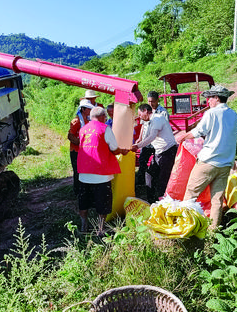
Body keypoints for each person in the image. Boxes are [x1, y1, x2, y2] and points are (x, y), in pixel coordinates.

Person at [176, 84, 237, 230]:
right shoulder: (233, 114)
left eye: (209, 98)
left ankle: (185, 228)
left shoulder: (212, 113)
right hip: (225, 164)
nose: (207, 101)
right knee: (217, 199)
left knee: (191, 194)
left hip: (208, 162)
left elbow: (198, 131)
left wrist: (183, 136)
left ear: (216, 98)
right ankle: (213, 232)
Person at [77, 106, 128, 236]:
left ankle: (83, 226)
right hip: (101, 174)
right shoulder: (105, 129)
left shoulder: (83, 129)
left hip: (84, 173)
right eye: (105, 117)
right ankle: (100, 229)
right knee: (103, 202)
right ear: (102, 117)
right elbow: (114, 148)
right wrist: (122, 151)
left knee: (84, 202)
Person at [131, 103, 177, 203]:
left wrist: (137, 146)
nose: (140, 117)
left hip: (167, 151)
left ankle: (164, 202)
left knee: (163, 179)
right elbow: (147, 136)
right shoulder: (150, 121)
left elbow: (151, 137)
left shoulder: (157, 119)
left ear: (146, 111)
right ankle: (151, 200)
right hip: (159, 152)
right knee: (149, 174)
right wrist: (139, 141)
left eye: (140, 114)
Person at [136, 91, 169, 185]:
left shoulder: (163, 112)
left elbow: (165, 127)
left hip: (157, 141)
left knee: (157, 162)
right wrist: (140, 137)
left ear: (157, 100)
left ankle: (156, 181)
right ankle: (141, 180)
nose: (151, 103)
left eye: (153, 101)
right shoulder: (145, 110)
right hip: (147, 141)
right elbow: (143, 125)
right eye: (149, 101)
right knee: (142, 160)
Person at [68, 99, 94, 197]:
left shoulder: (87, 120)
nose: (90, 111)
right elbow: (70, 135)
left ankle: (85, 191)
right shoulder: (76, 121)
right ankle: (77, 191)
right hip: (76, 151)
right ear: (83, 109)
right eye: (88, 109)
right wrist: (80, 143)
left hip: (85, 151)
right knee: (77, 171)